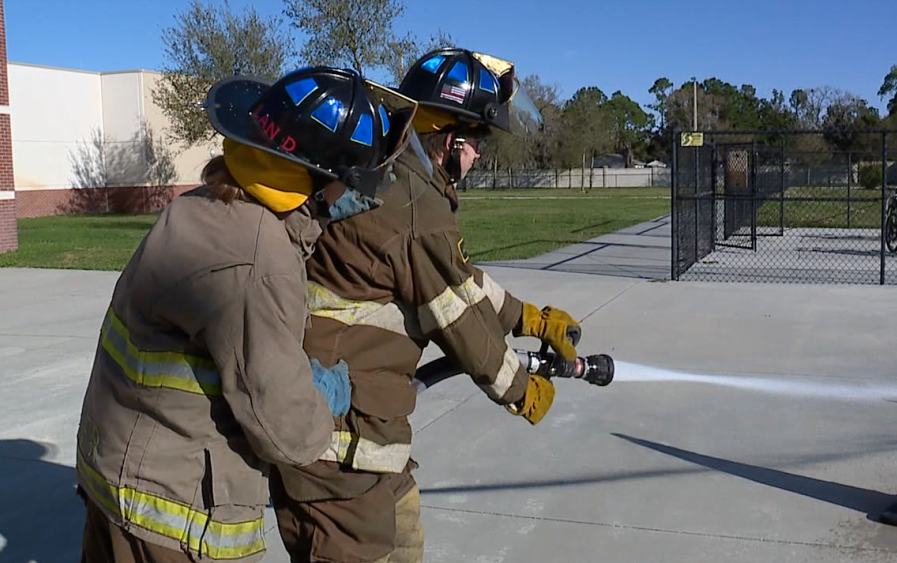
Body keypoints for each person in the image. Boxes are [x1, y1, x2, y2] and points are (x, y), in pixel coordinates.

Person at [74, 66, 417, 563]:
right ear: (317, 180)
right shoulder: (261, 261)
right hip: (173, 518)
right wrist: (321, 398)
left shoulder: (199, 206)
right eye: (348, 182)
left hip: (114, 479)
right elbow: (286, 430)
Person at [268, 48, 582, 563]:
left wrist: (530, 319)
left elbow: (453, 277)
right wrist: (519, 388)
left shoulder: (402, 179)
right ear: (449, 138)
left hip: (364, 424)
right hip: (337, 436)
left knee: (405, 535)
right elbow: (457, 319)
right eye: (477, 140)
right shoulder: (414, 202)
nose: (479, 155)